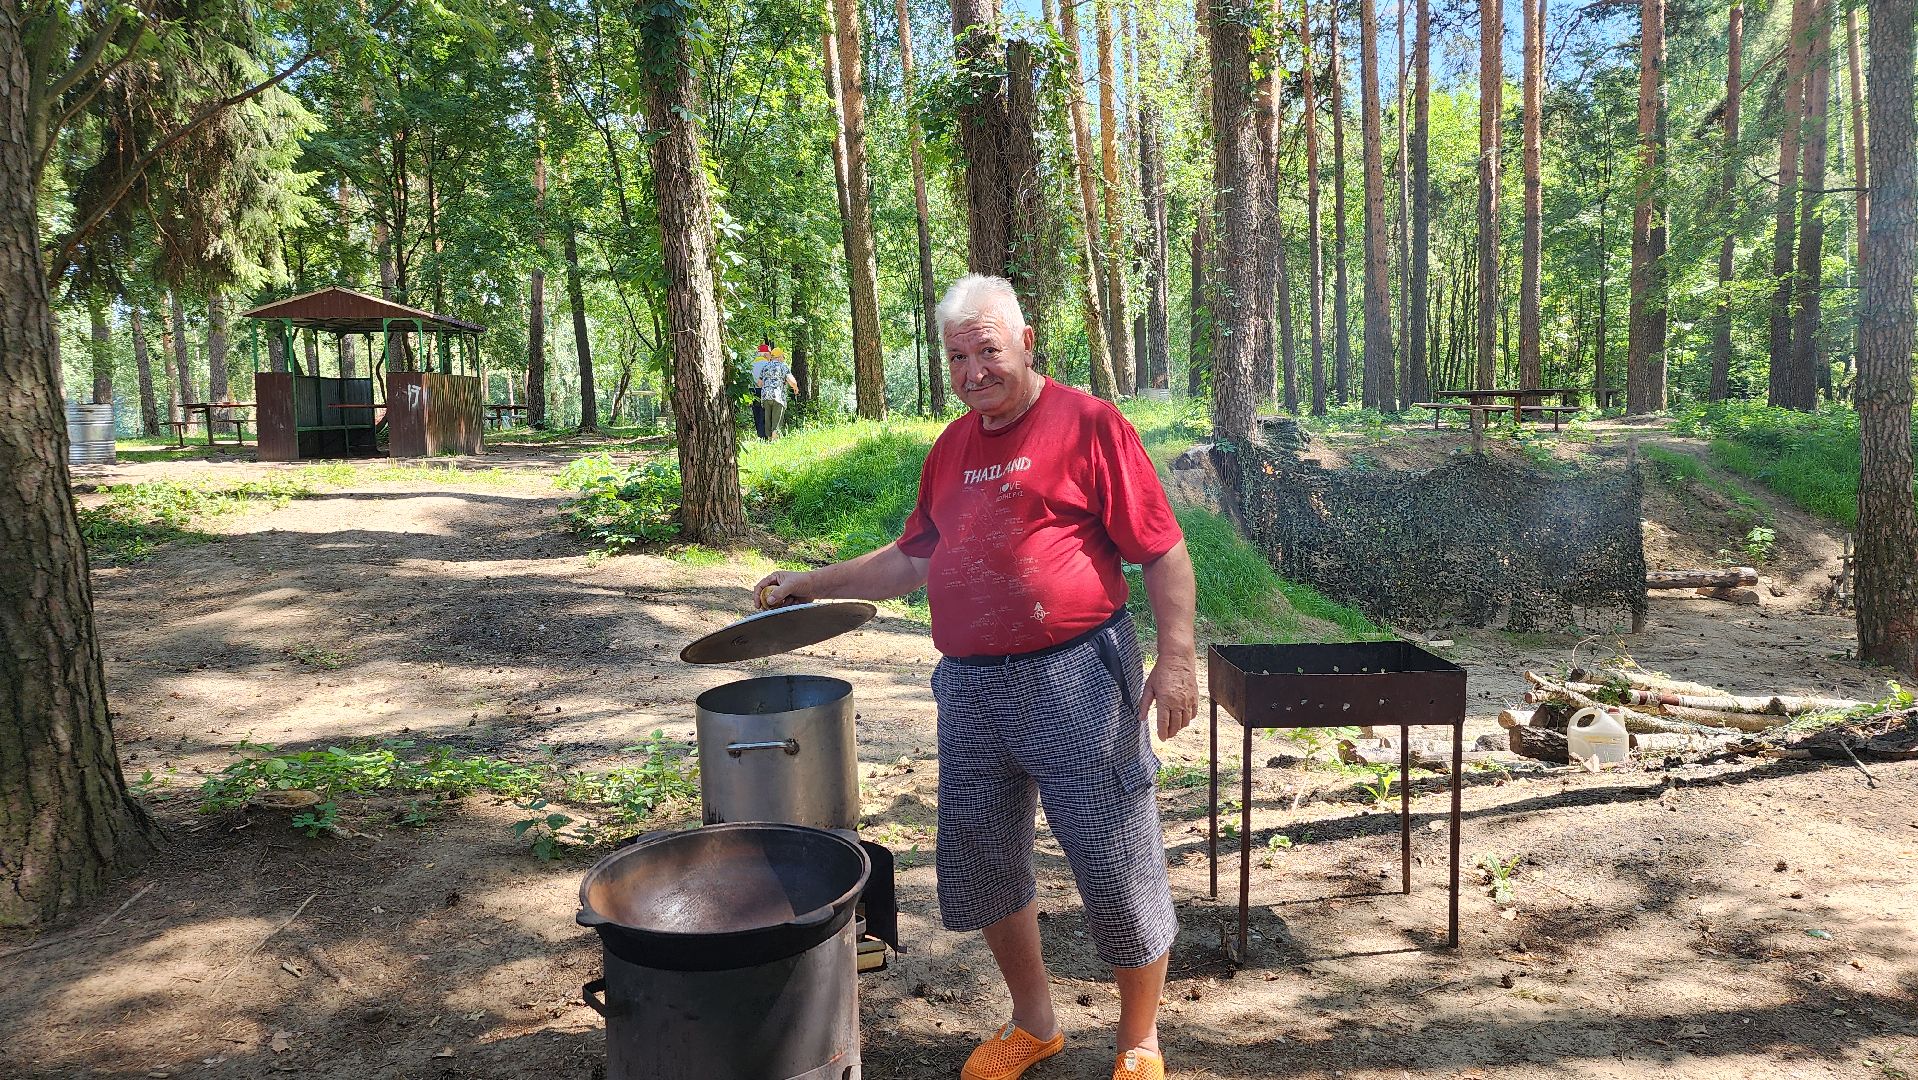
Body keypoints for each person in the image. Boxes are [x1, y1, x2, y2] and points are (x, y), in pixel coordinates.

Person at [755, 274, 1198, 1080]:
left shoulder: (1090, 424)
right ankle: (1035, 1023)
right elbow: (911, 557)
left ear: (1026, 343)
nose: (972, 372)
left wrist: (1176, 658)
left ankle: (1140, 1040)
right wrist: (810, 582)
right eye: (957, 357)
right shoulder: (953, 448)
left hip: (1078, 679)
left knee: (1113, 856)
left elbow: (1162, 547)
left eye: (987, 351)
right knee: (985, 857)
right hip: (971, 690)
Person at [752, 344, 797, 439]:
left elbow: (759, 383)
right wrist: (795, 387)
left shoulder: (764, 366)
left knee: (766, 419)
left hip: (764, 396)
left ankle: (766, 439)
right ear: (779, 357)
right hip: (778, 396)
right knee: (776, 420)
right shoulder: (782, 365)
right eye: (783, 356)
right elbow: (791, 381)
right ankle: (774, 440)